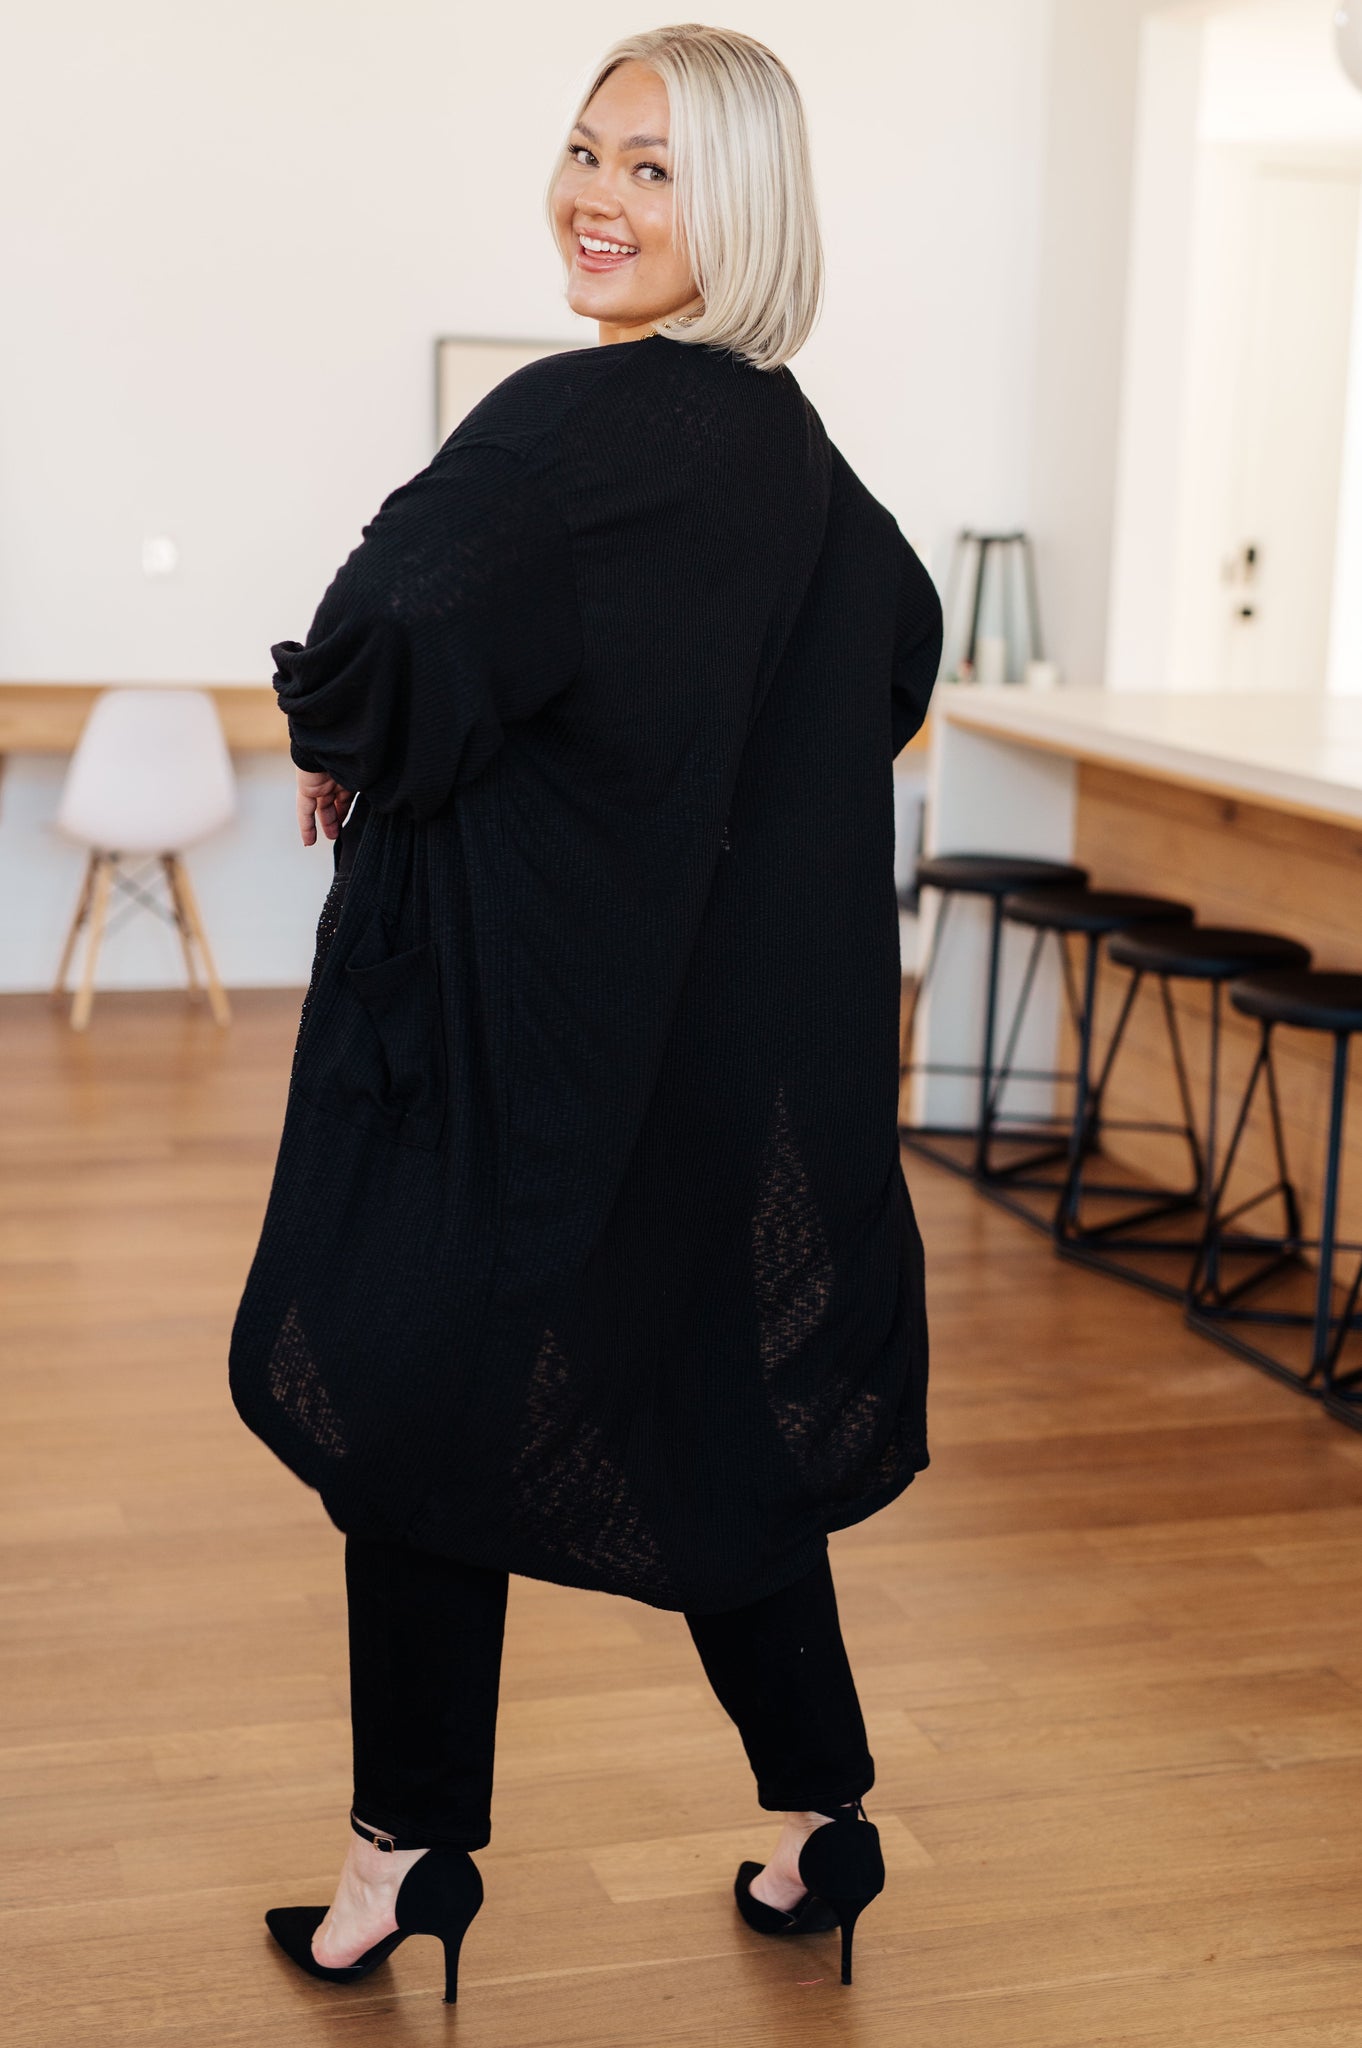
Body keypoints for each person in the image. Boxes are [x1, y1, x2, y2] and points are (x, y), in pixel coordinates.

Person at [229, 21, 942, 2006]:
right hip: (706, 1070)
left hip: (523, 1051)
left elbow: (390, 625)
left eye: (654, 168)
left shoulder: (563, 425)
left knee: (411, 1402)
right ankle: (822, 1819)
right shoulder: (801, 460)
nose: (597, 200)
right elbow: (893, 655)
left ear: (744, 209)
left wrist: (347, 739)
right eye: (585, 151)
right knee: (709, 1410)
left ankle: (401, 1860)